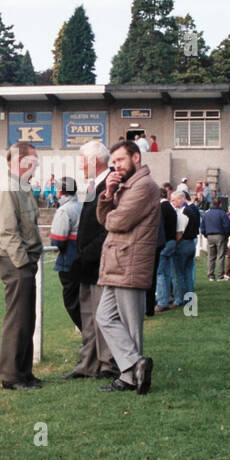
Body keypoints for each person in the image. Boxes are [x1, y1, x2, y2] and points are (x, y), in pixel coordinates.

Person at [95, 140, 159, 394]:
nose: (116, 166)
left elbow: (118, 221)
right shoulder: (127, 185)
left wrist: (112, 210)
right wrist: (108, 195)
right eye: (114, 162)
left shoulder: (144, 186)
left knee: (132, 326)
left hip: (130, 262)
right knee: (104, 317)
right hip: (117, 262)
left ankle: (130, 377)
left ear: (136, 158)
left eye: (121, 160)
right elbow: (104, 219)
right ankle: (134, 365)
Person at [67, 140, 118, 381]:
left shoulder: (111, 185)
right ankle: (87, 364)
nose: (79, 164)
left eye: (81, 159)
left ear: (93, 161)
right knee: (88, 316)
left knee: (102, 315)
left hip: (100, 261)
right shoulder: (92, 187)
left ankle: (107, 364)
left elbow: (108, 227)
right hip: (88, 262)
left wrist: (88, 253)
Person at [0, 143, 44, 390]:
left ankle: (24, 373)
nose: (36, 166)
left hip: (25, 262)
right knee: (17, 320)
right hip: (16, 263)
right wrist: (23, 263)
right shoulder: (7, 188)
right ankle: (12, 376)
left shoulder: (22, 188)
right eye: (33, 161)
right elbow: (7, 232)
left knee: (27, 319)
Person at [49, 177, 82, 329]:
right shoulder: (81, 206)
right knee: (82, 301)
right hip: (82, 259)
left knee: (72, 302)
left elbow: (57, 239)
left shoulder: (64, 210)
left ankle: (90, 337)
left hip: (69, 261)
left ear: (61, 191)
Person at [202, 198, 230, 280]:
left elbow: (202, 226)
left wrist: (205, 234)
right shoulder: (222, 213)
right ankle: (220, 276)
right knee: (220, 256)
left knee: (211, 256)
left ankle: (210, 275)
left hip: (209, 236)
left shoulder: (206, 214)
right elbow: (226, 226)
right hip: (219, 235)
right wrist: (226, 235)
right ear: (220, 204)